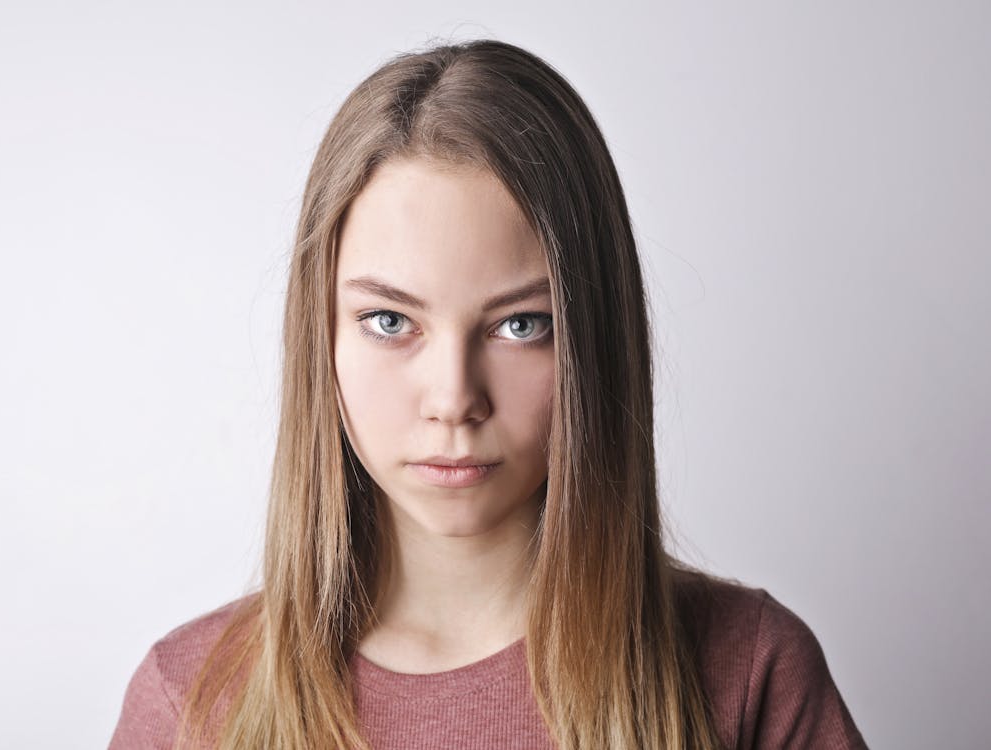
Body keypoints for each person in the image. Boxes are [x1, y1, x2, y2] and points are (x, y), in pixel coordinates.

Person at [108, 39, 867, 749]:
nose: (453, 398)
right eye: (389, 320)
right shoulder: (190, 706)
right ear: (321, 337)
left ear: (594, 340)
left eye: (521, 324)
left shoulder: (748, 674)